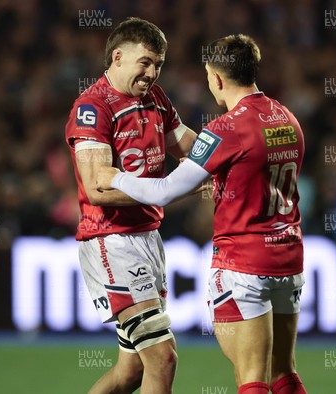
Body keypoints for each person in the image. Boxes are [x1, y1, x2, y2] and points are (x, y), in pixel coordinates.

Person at [98, 34, 307, 394]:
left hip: (243, 266)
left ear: (217, 79)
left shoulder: (227, 128)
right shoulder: (286, 117)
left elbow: (165, 190)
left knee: (252, 379)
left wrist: (113, 176)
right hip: (288, 259)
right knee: (283, 375)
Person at [65, 17, 198, 393]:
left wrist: (233, 150)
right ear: (118, 57)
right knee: (163, 355)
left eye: (158, 65)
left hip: (148, 238)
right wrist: (168, 188)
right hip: (113, 239)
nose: (152, 73)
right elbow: (97, 190)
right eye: (146, 62)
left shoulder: (155, 99)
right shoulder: (92, 107)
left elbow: (187, 144)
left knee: (131, 373)